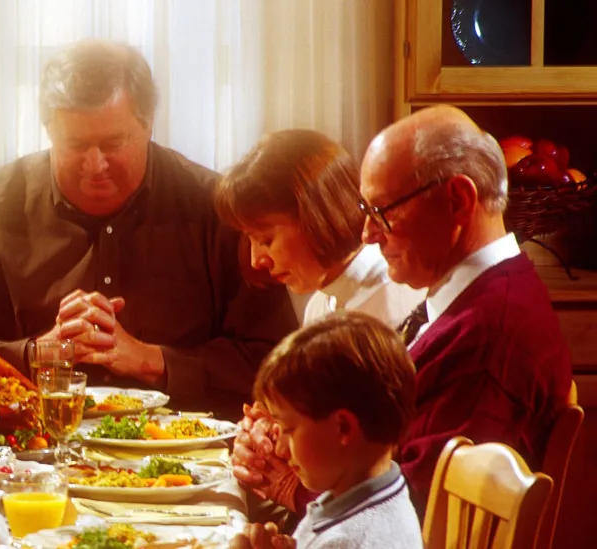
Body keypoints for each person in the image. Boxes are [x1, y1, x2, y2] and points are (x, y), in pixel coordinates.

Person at [233, 105, 573, 516]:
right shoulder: (474, 299)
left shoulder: (487, 334)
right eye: (366, 213)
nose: (367, 234)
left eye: (382, 212)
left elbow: (415, 511)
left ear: (457, 200)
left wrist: (293, 490)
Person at [0, 39, 296, 417]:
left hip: (192, 449)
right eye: (75, 144)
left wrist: (154, 361)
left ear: (148, 124)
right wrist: (37, 354)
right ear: (48, 130)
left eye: (113, 143)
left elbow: (277, 362)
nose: (95, 165)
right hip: (26, 444)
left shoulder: (217, 209)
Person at [231, 312, 422, 549]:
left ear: (343, 428)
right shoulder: (373, 497)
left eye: (289, 430)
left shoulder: (348, 541)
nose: (279, 449)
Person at [213, 129, 425, 327]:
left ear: (318, 215)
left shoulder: (397, 300)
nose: (256, 261)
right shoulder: (318, 308)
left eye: (265, 240)